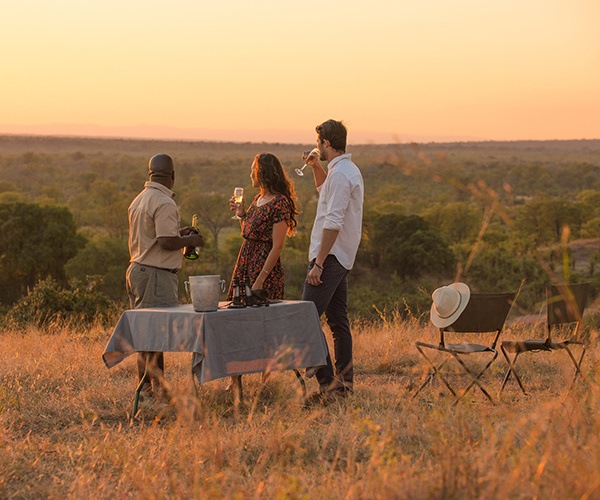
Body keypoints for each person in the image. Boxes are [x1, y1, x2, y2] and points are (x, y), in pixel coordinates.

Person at [127, 153, 204, 398]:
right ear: (172, 176)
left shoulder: (140, 199)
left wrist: (180, 233)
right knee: (153, 337)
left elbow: (155, 236)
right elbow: (165, 242)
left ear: (151, 174)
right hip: (155, 275)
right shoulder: (164, 202)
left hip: (139, 269)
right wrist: (191, 240)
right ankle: (151, 390)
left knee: (147, 333)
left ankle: (153, 388)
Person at [302, 119, 364, 401]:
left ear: (325, 142)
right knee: (338, 321)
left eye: (319, 143)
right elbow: (325, 195)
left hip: (331, 256)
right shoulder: (342, 171)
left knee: (305, 318)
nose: (317, 147)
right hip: (340, 256)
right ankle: (345, 385)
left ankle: (328, 384)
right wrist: (316, 167)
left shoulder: (341, 175)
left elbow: (333, 220)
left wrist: (319, 263)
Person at [227, 152, 298, 299]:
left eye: (253, 170)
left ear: (263, 172)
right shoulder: (257, 198)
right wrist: (241, 214)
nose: (251, 174)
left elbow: (277, 246)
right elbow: (248, 232)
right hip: (245, 262)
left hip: (264, 269)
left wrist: (260, 280)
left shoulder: (279, 202)